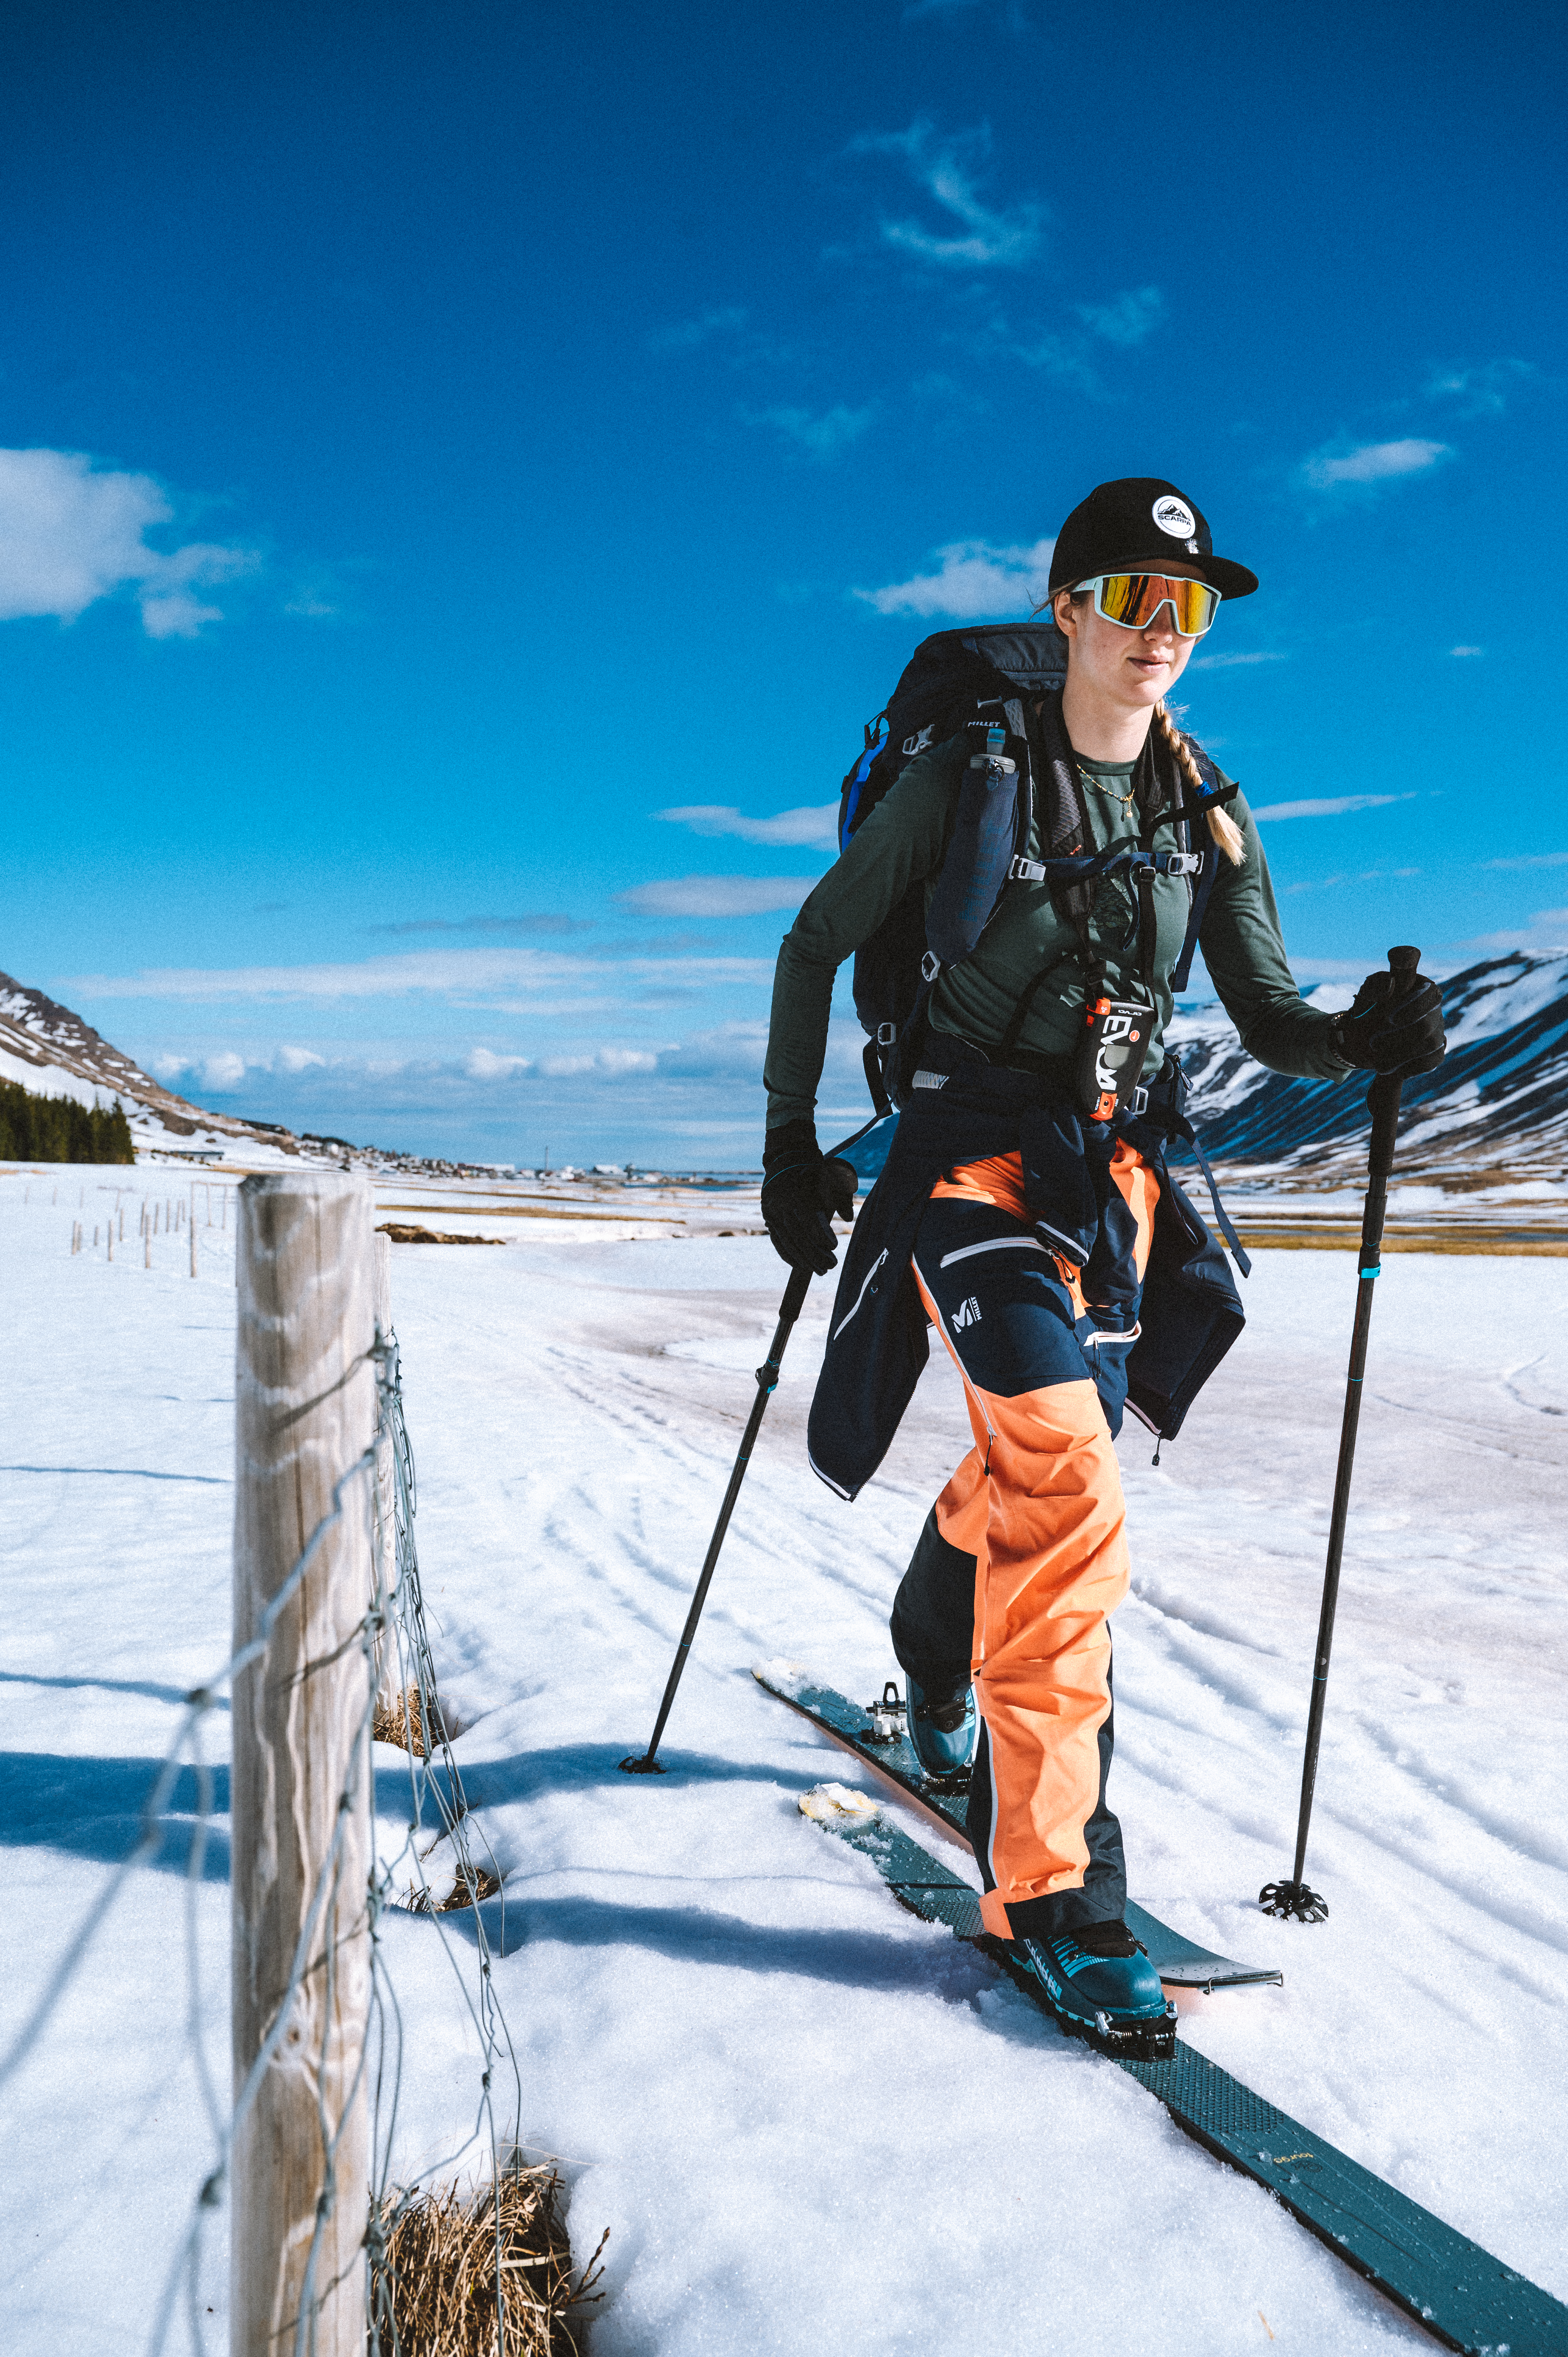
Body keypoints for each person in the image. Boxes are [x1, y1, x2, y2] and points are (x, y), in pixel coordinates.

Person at [758, 477, 1445, 2048]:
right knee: (1067, 1480)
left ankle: (933, 1662)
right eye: (1129, 599)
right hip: (964, 1159)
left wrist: (1360, 1040)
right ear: (1064, 609)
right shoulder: (966, 777)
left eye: (1185, 608)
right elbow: (811, 944)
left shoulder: (1209, 807)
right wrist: (792, 1152)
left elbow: (1267, 1018)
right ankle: (1057, 1888)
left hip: (1110, 1177)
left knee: (1031, 1455)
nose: (1159, 633)